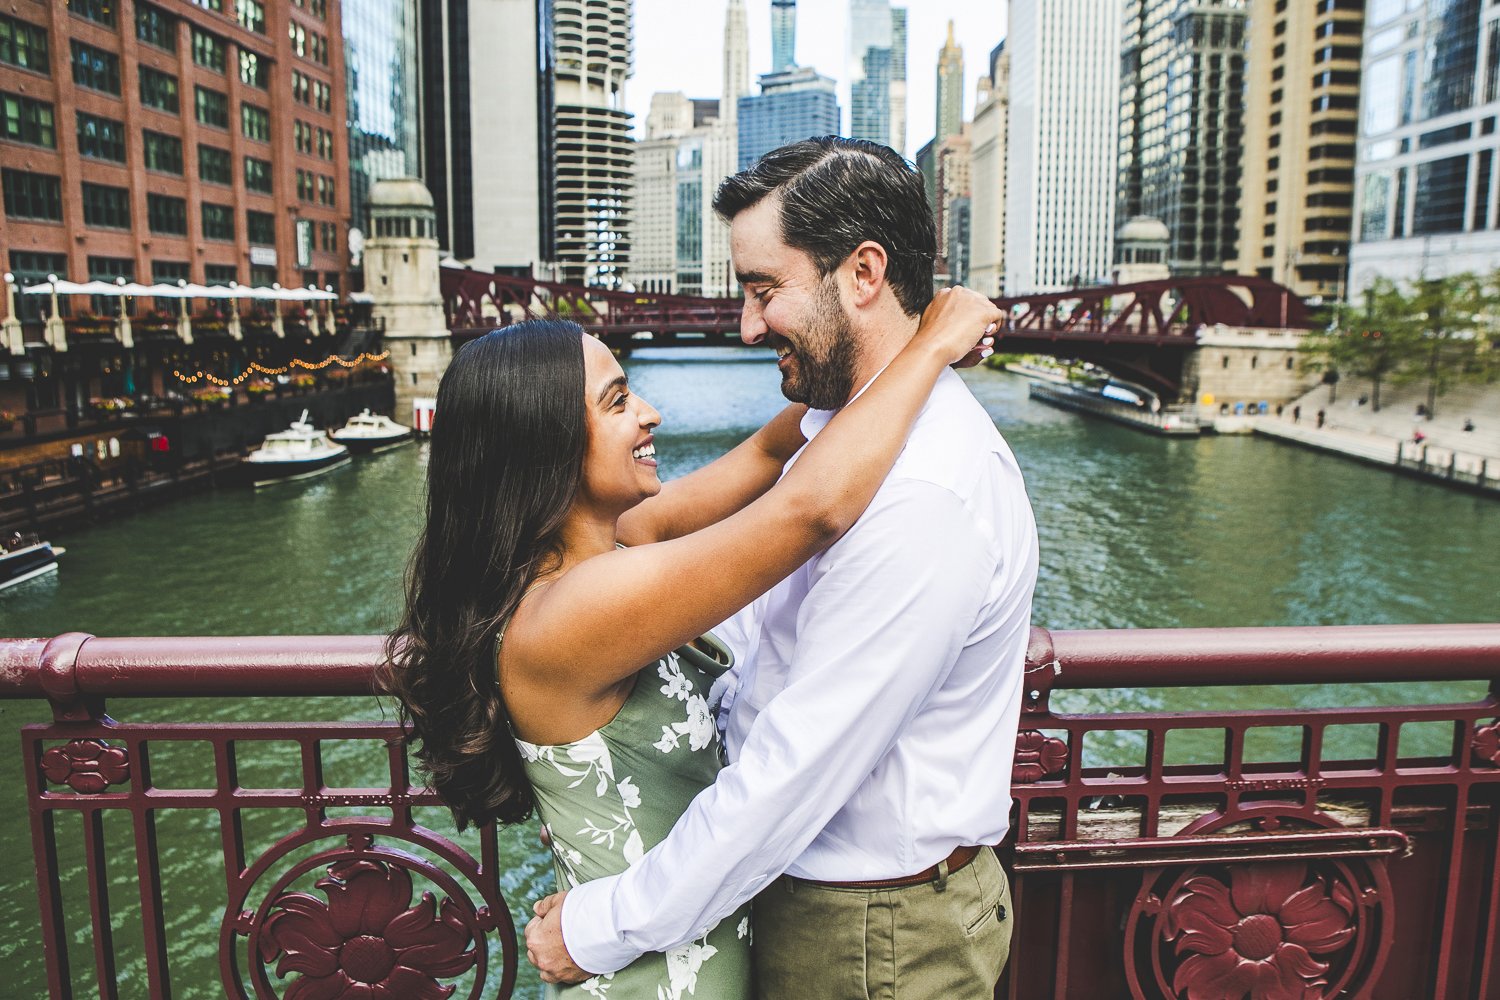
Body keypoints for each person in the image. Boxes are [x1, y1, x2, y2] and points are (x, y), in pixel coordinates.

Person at [525, 137, 1039, 1000]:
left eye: (765, 290)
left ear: (864, 273)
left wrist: (601, 925)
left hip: (872, 937)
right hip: (818, 906)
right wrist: (928, 344)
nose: (747, 325)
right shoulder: (838, 438)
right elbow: (762, 629)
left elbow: (791, 779)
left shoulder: (921, 496)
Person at [382, 297, 1001, 996]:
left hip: (681, 945)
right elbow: (810, 511)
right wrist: (929, 347)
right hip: (651, 976)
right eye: (618, 402)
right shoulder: (571, 613)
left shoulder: (621, 542)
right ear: (544, 444)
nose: (651, 414)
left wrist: (884, 346)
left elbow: (772, 451)